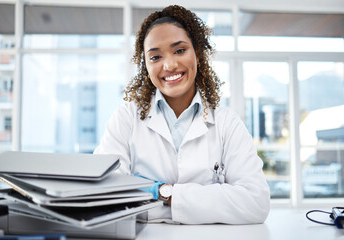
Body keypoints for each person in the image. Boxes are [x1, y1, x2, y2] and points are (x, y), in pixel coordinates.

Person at [94, 5, 270, 224]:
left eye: (179, 50)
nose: (169, 65)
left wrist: (163, 193)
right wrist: (209, 204)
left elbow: (255, 202)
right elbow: (103, 195)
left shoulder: (227, 123)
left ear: (197, 53)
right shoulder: (126, 118)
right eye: (156, 57)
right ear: (146, 66)